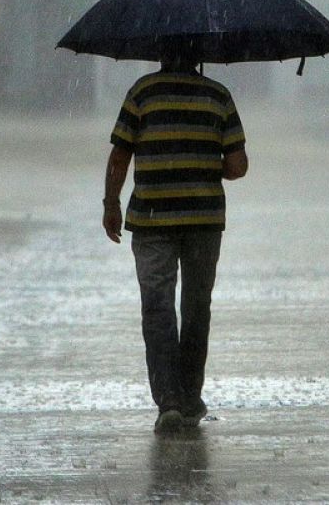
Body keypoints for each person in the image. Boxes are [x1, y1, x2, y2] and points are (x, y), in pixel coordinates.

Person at [103, 50, 248, 434]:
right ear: (199, 54)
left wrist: (111, 203)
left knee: (157, 309)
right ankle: (189, 398)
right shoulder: (218, 96)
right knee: (197, 307)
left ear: (161, 53)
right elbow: (237, 166)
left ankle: (167, 401)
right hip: (203, 219)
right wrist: (201, 161)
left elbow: (120, 155)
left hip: (151, 220)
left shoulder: (142, 93)